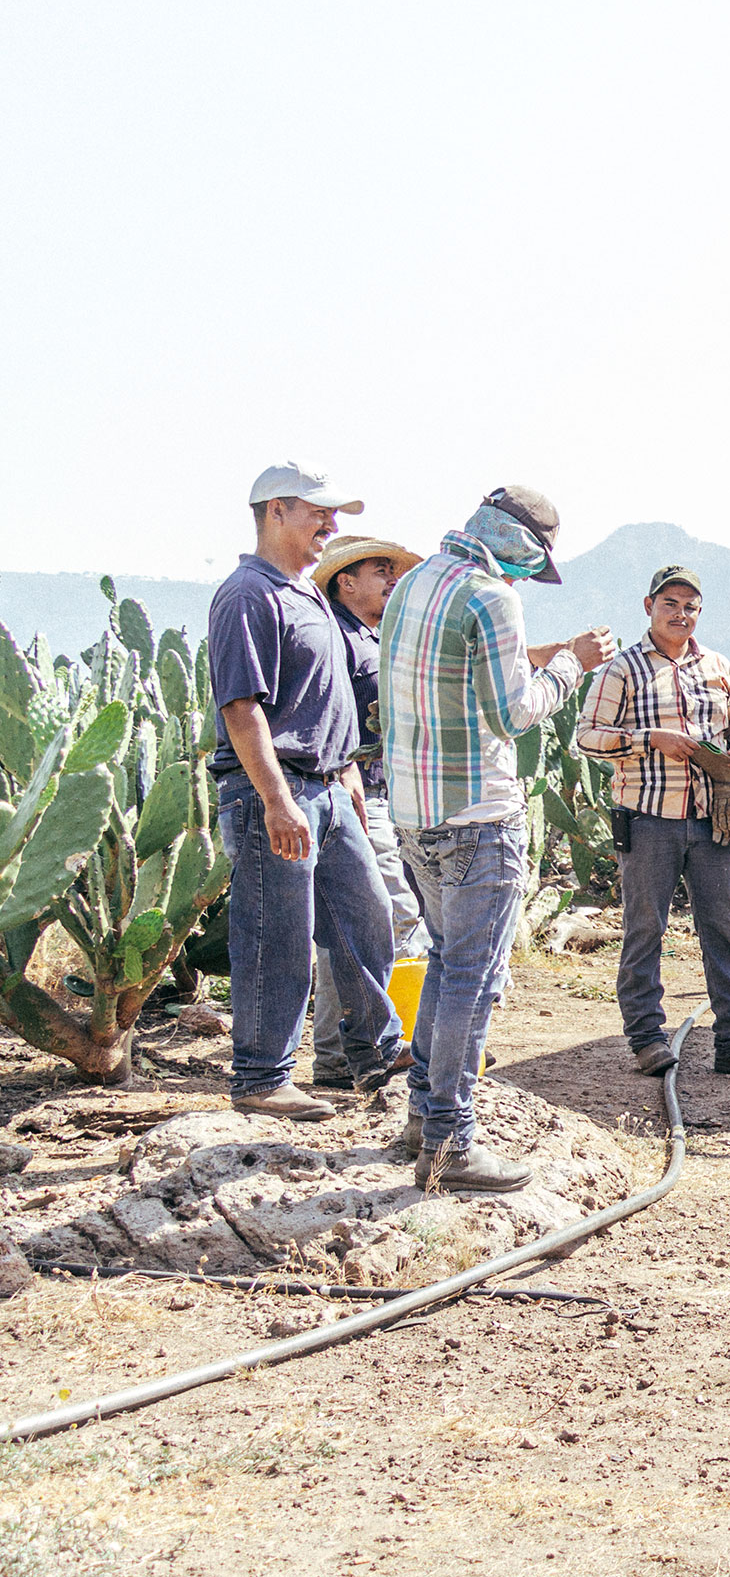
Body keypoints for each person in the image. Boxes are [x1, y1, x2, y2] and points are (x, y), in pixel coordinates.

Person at [381, 486, 612, 1191]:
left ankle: (422, 1118)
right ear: (520, 543)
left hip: (413, 814)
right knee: (470, 980)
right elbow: (513, 709)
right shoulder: (491, 597)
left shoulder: (413, 582)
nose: (526, 577)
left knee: (449, 962)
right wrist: (571, 665)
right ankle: (450, 1143)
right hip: (481, 816)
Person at [207, 463, 407, 1122]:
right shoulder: (248, 593)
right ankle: (262, 1076)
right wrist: (274, 797)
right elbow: (243, 708)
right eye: (318, 512)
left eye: (334, 514)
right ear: (274, 512)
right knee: (276, 938)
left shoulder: (308, 593)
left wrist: (347, 765)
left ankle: (375, 1053)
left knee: (366, 921)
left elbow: (328, 692)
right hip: (277, 791)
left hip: (330, 785)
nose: (331, 525)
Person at [573, 564, 730, 1082]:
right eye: (671, 604)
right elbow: (586, 737)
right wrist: (651, 739)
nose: (681, 614)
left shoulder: (717, 665)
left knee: (725, 930)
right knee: (645, 929)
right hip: (649, 820)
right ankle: (647, 1039)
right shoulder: (621, 670)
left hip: (714, 821)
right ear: (649, 607)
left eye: (691, 606)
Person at [308, 533, 429, 1089]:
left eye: (393, 570)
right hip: (357, 790)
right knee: (390, 915)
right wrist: (344, 771)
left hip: (384, 792)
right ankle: (390, 1042)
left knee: (349, 926)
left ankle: (341, 1052)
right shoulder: (337, 636)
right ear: (345, 581)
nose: (391, 578)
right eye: (380, 570)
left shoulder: (373, 637)